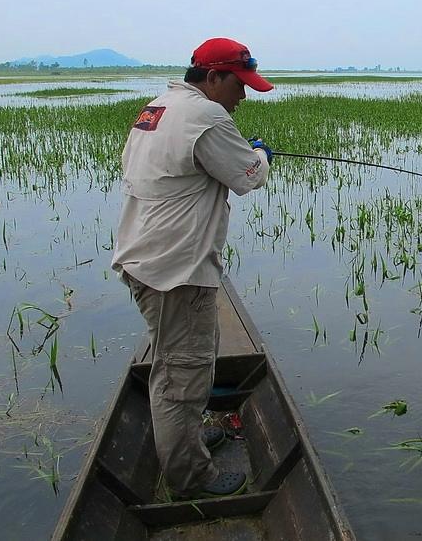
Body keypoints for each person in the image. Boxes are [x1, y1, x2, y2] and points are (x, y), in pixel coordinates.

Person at [111, 37, 275, 499]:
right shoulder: (206, 116)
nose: (242, 95)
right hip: (175, 272)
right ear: (214, 77)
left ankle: (184, 437)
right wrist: (261, 154)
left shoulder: (158, 107)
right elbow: (249, 177)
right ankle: (191, 480)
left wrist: (249, 155)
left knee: (180, 364)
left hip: (145, 259)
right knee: (181, 379)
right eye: (239, 85)